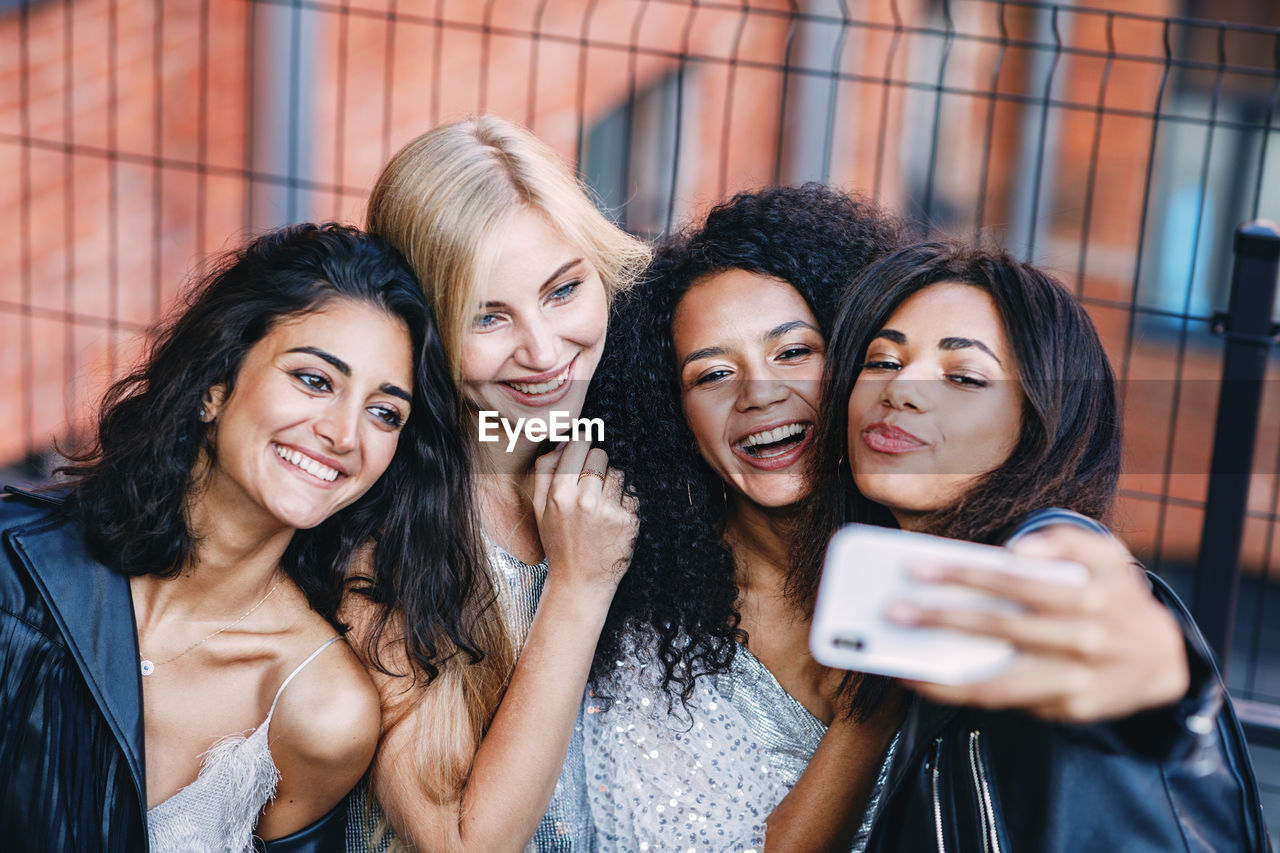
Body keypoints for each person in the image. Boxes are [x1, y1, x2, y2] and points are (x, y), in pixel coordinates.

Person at [0, 222, 480, 853]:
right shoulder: (15, 571)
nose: (343, 434)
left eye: (384, 412)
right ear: (214, 385)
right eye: (315, 379)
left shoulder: (319, 709)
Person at [794, 240, 1270, 851]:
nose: (901, 388)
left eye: (964, 377)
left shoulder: (1043, 588)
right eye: (882, 361)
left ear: (1039, 423)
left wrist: (1160, 696)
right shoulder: (919, 611)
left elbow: (1128, 668)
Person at [344, 114, 650, 852]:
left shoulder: (628, 437)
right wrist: (578, 588)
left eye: (563, 289)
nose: (545, 351)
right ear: (428, 332)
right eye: (488, 316)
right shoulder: (380, 536)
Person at [581, 184, 911, 851]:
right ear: (677, 419)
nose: (759, 393)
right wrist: (875, 705)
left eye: (793, 353)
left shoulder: (937, 548)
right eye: (712, 375)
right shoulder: (654, 638)